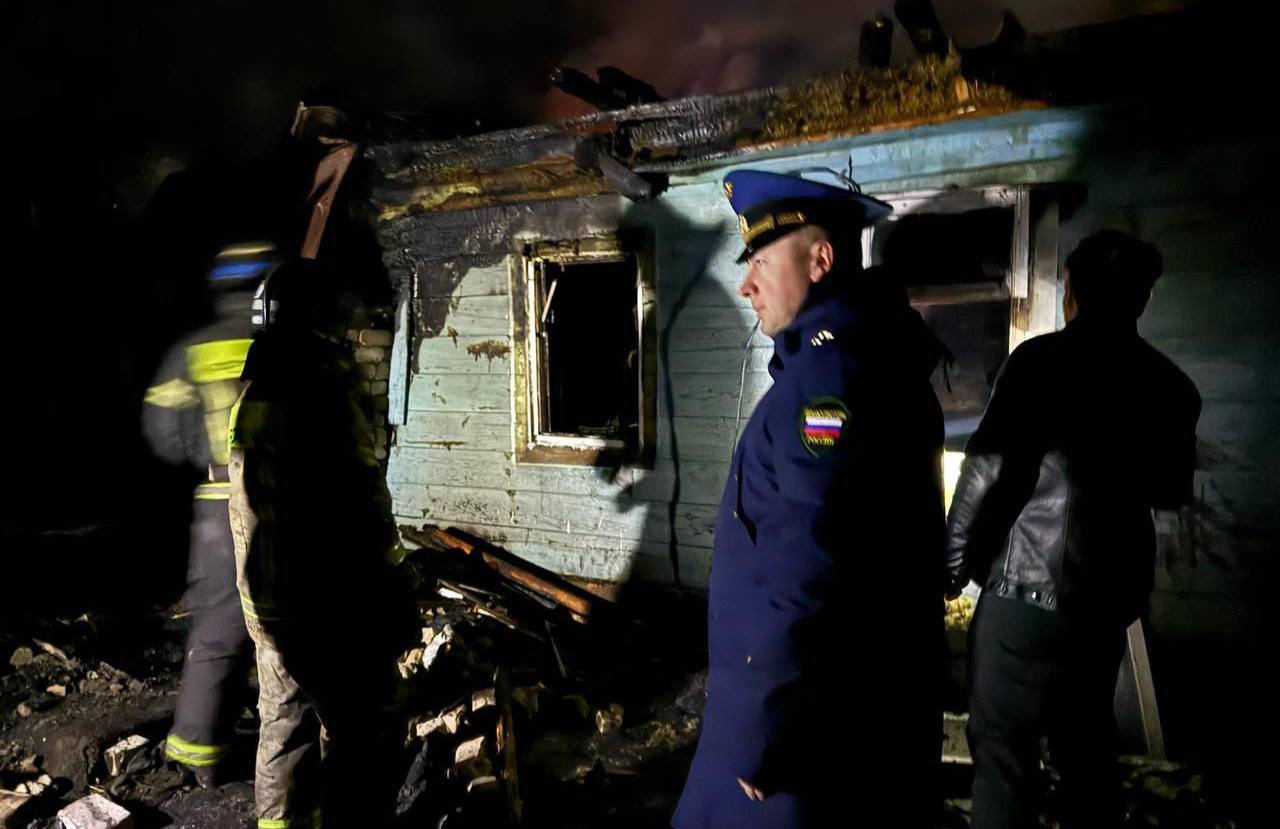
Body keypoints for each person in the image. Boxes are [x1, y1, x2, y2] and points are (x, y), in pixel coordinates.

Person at [673, 169, 949, 829]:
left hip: (803, 735)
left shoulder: (827, 382)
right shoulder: (880, 357)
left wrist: (756, 737)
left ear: (820, 259)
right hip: (861, 715)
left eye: (762, 261)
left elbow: (808, 568)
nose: (747, 283)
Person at [944, 230, 1201, 829]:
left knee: (1003, 754)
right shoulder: (1172, 387)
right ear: (1142, 300)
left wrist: (952, 563)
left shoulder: (1038, 363)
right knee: (1086, 747)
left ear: (1071, 294)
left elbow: (985, 468)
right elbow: (1169, 491)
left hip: (1022, 598)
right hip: (1106, 601)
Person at [227, 258, 417, 829]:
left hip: (267, 595)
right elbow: (360, 504)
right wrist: (394, 581)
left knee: (283, 722)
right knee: (364, 726)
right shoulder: (321, 390)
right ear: (320, 319)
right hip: (323, 598)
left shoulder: (254, 388)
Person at [142, 245, 272, 785]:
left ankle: (199, 754)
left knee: (216, 629)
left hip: (219, 505)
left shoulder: (189, 351)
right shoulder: (280, 345)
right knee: (283, 625)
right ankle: (286, 746)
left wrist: (203, 453)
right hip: (277, 503)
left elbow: (162, 434)